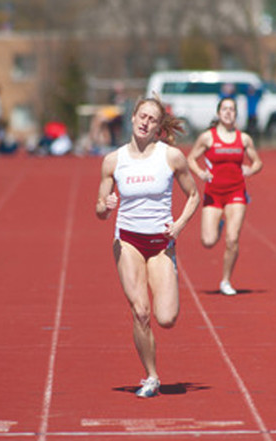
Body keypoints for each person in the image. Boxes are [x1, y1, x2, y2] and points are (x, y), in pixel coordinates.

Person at [95, 96, 199, 398]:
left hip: (160, 244)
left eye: (152, 120)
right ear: (132, 118)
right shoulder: (113, 161)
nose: (145, 122)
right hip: (127, 241)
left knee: (166, 318)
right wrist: (105, 205)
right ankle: (151, 376)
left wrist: (179, 225)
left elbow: (194, 195)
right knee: (140, 312)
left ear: (158, 127)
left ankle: (170, 270)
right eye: (142, 116)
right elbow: (99, 208)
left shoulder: (171, 157)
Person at [187, 97, 263, 295]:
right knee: (208, 241)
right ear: (219, 113)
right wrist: (201, 173)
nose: (228, 112)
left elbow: (257, 162)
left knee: (232, 239)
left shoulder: (244, 139)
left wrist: (250, 170)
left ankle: (226, 281)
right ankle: (219, 226)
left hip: (236, 192)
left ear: (236, 114)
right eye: (225, 109)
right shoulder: (208, 138)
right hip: (213, 194)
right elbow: (191, 158)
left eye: (232, 109)